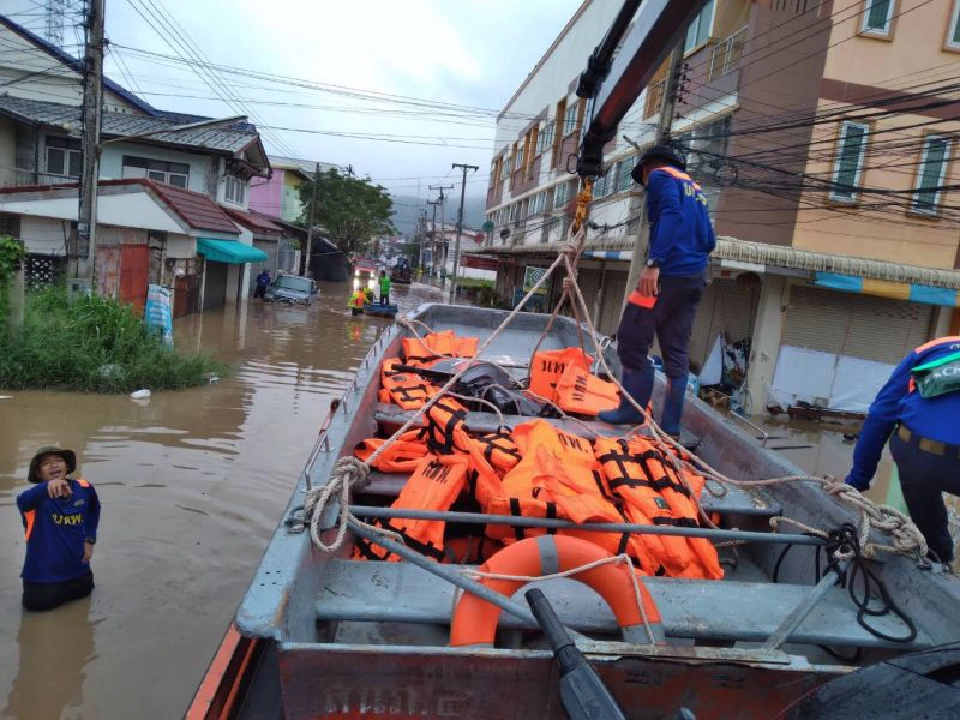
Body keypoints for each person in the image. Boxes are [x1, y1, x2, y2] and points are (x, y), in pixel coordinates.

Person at [598, 145, 716, 437]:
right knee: (676, 352)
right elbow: (709, 240)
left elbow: (672, 215)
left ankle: (630, 410)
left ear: (648, 168)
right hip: (694, 276)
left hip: (666, 273)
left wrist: (654, 263)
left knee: (631, 337)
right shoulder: (696, 190)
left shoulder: (662, 177)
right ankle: (671, 427)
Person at [845, 336, 960, 566]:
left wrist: (857, 480)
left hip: (915, 455)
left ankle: (938, 557)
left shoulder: (934, 348)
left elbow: (880, 415)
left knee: (924, 499)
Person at [16, 447, 101, 612]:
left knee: (83, 630)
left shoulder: (84, 488)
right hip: (43, 583)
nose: (53, 465)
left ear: (67, 466)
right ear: (39, 473)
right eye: (46, 463)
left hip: (80, 577)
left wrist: (90, 539)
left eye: (58, 460)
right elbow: (22, 501)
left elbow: (94, 509)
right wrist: (48, 486)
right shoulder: (33, 498)